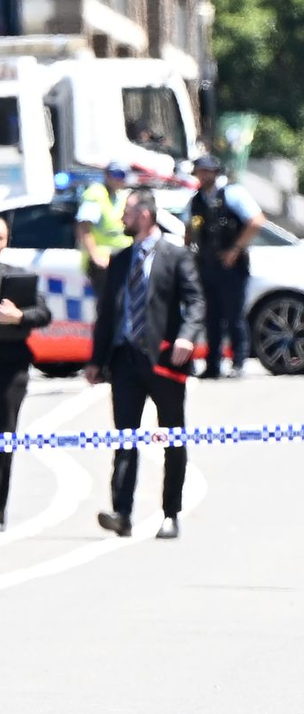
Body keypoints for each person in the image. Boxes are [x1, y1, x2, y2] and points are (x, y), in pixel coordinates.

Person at [85, 188, 205, 540]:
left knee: (172, 438)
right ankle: (121, 512)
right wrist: (95, 360)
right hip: (125, 362)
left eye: (128, 212)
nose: (122, 218)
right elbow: (107, 314)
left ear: (146, 215)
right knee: (125, 438)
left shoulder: (175, 256)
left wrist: (187, 336)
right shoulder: (120, 260)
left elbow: (196, 302)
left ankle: (170, 513)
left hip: (165, 361)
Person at [185, 154, 264, 379]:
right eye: (200, 171)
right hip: (206, 266)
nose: (203, 175)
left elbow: (256, 221)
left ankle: (238, 362)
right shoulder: (196, 200)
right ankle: (213, 365)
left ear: (215, 172)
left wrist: (235, 249)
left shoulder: (233, 194)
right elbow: (189, 231)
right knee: (211, 318)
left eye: (207, 171)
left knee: (234, 316)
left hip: (232, 267)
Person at [0, 216, 52, 533]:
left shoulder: (17, 278)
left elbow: (43, 313)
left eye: (1, 238)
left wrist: (18, 316)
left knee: (5, 436)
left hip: (11, 365)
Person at [75, 162, 132, 302]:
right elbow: (83, 228)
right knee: (108, 308)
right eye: (117, 175)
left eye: (123, 175)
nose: (120, 179)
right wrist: (95, 256)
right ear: (107, 175)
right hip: (103, 263)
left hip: (121, 260)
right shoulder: (96, 194)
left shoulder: (120, 196)